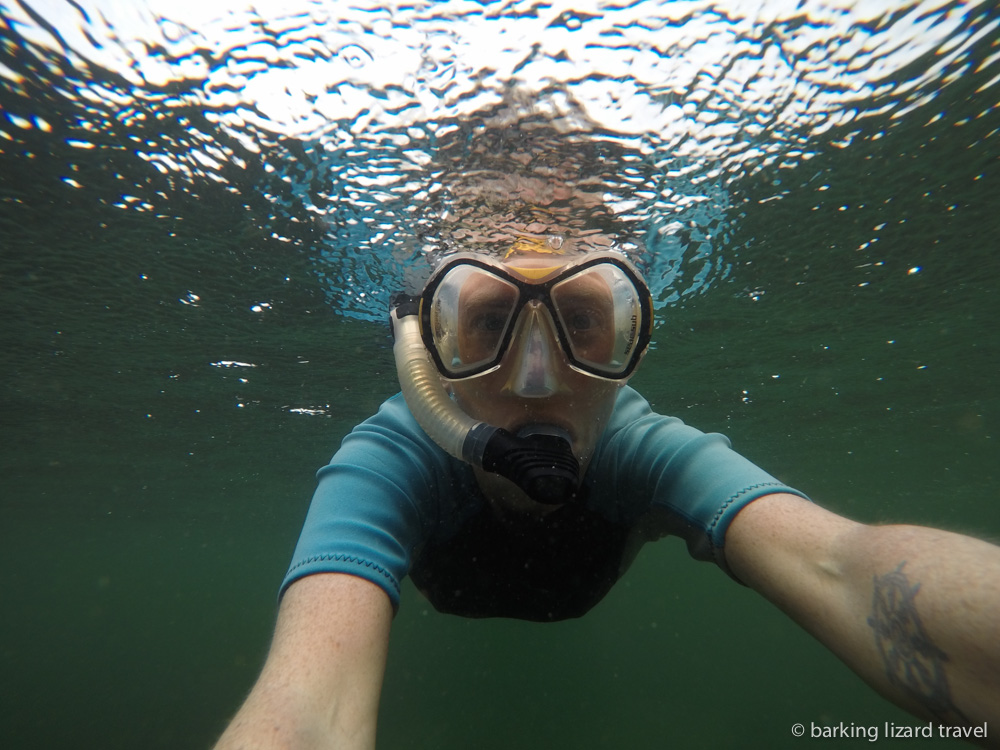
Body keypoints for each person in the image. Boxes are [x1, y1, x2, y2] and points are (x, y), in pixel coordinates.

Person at [214, 236, 1000, 750]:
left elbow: (844, 565)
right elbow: (306, 708)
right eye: (486, 325)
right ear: (426, 350)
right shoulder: (389, 460)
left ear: (632, 343)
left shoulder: (641, 448)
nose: (536, 381)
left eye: (583, 322)